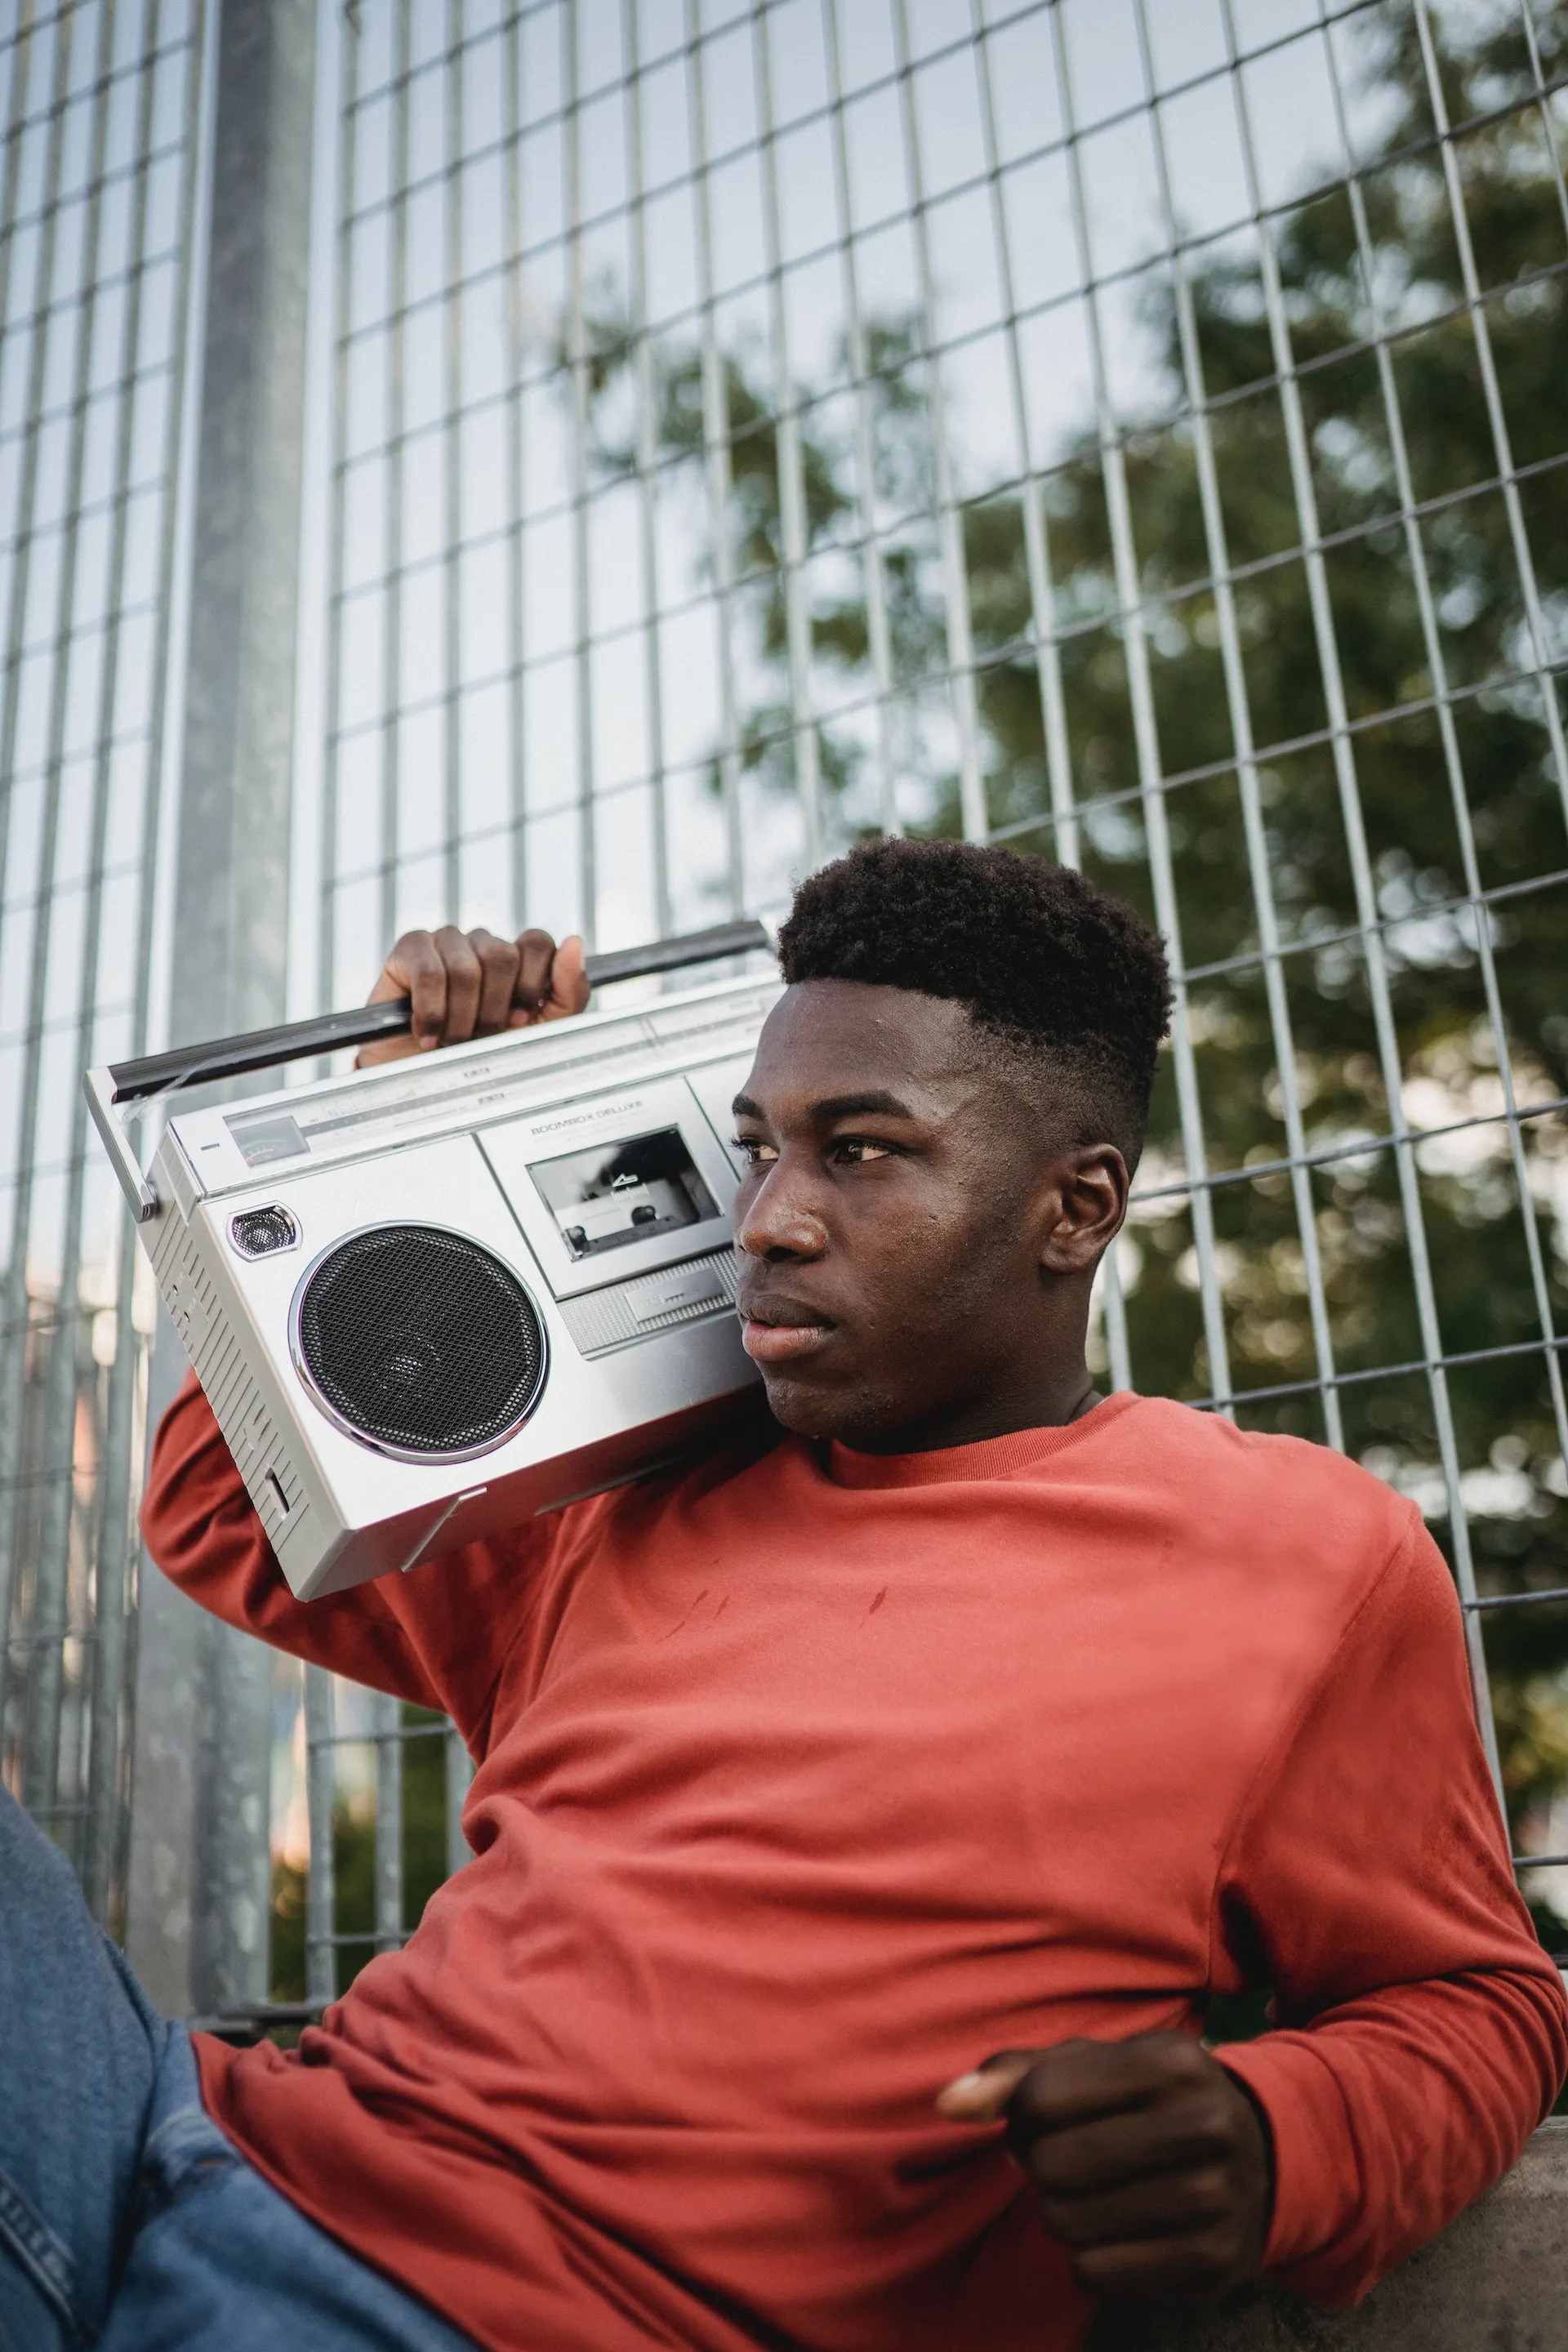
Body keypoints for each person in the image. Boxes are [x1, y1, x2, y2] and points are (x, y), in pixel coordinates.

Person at [3, 838, 1564, 2352]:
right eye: (761, 1144)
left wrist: (1278, 2137)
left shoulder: (1300, 1557)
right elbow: (223, 1506)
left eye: (862, 1151)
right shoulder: (634, 1492)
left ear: (1076, 1208)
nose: (769, 1219)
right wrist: (397, 1127)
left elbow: (1479, 2000)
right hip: (187, 2141)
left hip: (478, 2310)